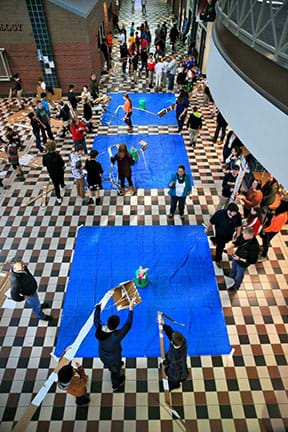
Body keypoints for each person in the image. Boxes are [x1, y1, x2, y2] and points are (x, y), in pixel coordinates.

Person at [94, 298, 135, 391]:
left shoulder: (99, 328)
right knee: (115, 372)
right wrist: (131, 309)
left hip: (103, 355)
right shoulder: (116, 336)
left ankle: (114, 368)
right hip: (113, 359)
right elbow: (128, 325)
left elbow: (96, 319)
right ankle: (115, 384)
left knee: (112, 366)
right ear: (116, 326)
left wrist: (98, 308)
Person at [206, 203, 242, 267]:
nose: (235, 214)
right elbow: (211, 221)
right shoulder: (220, 214)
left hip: (230, 234)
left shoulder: (237, 215)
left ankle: (215, 240)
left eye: (236, 212)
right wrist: (207, 229)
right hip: (220, 234)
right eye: (234, 212)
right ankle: (218, 260)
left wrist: (238, 234)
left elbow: (239, 225)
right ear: (229, 211)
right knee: (220, 247)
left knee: (228, 243)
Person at [224, 227, 259, 292]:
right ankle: (231, 276)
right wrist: (228, 247)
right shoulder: (243, 236)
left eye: (244, 235)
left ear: (250, 235)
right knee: (233, 268)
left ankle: (235, 287)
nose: (243, 236)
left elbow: (252, 261)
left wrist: (239, 258)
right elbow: (237, 242)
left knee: (239, 275)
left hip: (243, 263)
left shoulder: (254, 247)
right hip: (236, 256)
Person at [161, 317, 188, 390]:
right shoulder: (183, 342)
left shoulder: (174, 356)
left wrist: (164, 363)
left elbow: (169, 363)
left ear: (172, 343)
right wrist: (164, 325)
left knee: (173, 381)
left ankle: (174, 386)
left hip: (175, 374)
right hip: (181, 368)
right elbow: (171, 333)